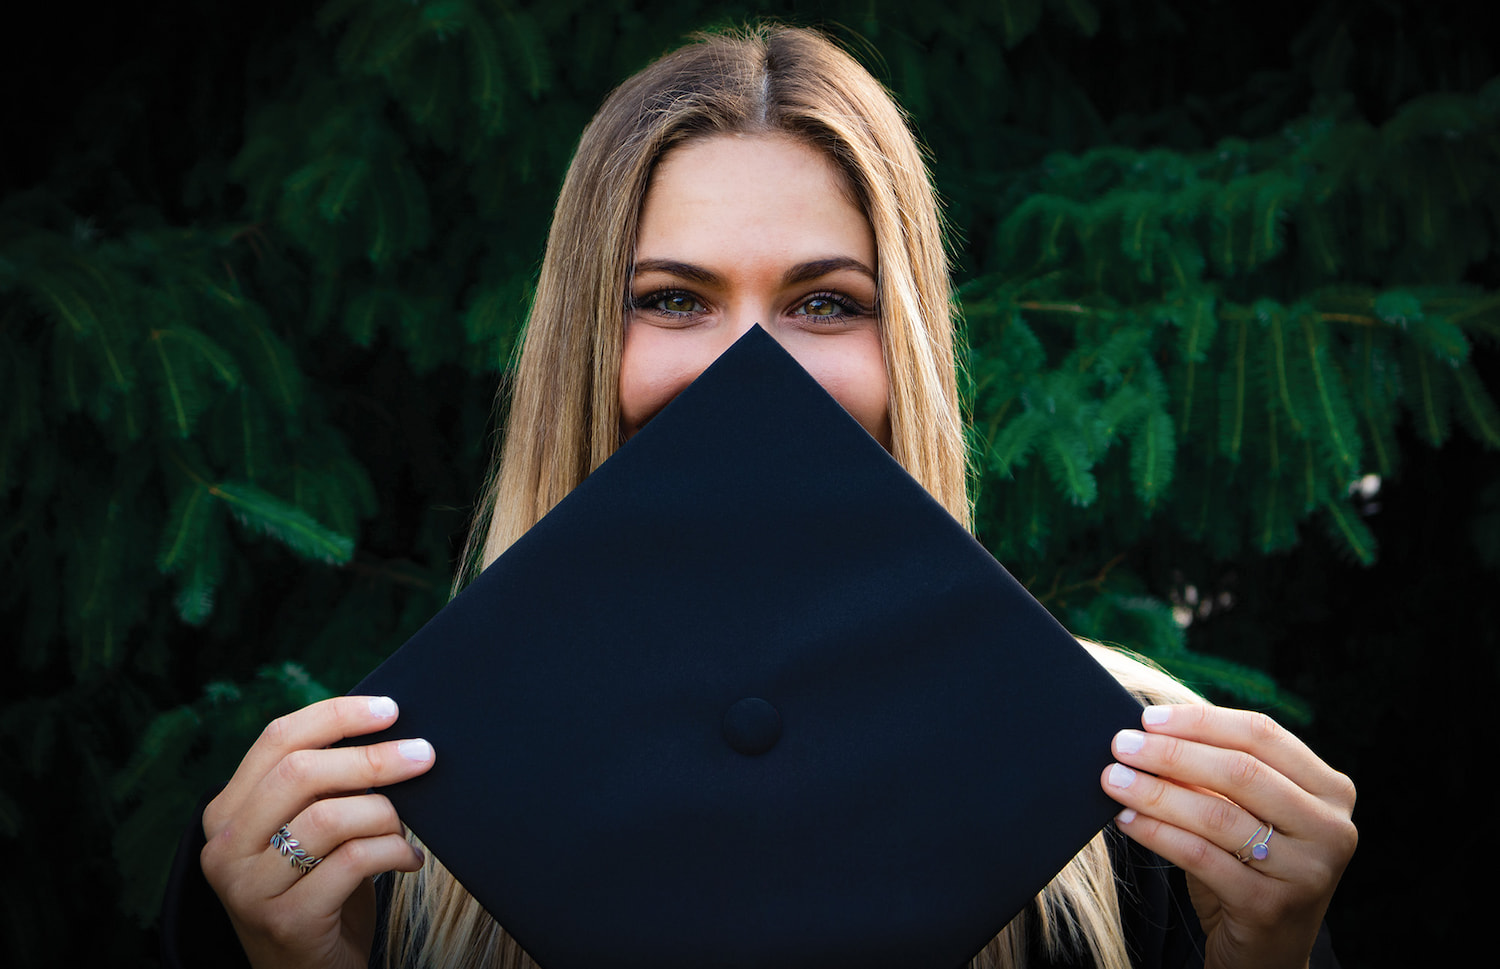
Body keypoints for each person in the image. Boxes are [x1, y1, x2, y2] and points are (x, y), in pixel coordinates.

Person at [182, 23, 1357, 969]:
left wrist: (1267, 958)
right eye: (674, 300)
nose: (752, 371)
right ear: (586, 347)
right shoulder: (371, 829)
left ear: (910, 355)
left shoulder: (1124, 805)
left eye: (826, 303)